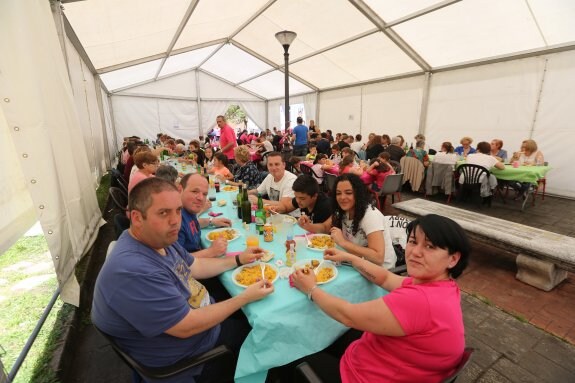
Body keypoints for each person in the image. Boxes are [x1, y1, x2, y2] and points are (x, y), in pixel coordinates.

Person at [92, 178, 274, 383]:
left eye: (177, 211)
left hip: (201, 323)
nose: (175, 221)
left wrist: (239, 259)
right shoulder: (133, 271)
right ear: (136, 217)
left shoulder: (157, 239)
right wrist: (243, 298)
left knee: (258, 316)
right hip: (192, 358)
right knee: (270, 337)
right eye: (163, 213)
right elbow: (186, 326)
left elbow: (195, 266)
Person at [289, 214, 471, 383]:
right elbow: (386, 278)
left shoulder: (420, 301)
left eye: (430, 246)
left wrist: (310, 289)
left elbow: (347, 315)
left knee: (290, 353)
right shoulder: (443, 286)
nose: (415, 252)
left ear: (453, 259)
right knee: (325, 331)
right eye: (413, 242)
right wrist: (350, 258)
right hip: (393, 360)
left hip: (363, 375)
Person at [299, 174, 396, 268]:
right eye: (338, 193)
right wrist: (307, 225)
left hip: (380, 271)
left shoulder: (370, 216)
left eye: (348, 193)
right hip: (356, 262)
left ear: (358, 194)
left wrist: (343, 242)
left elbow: (378, 257)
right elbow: (325, 227)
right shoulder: (342, 210)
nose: (342, 198)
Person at [177, 173, 232, 256]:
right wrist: (210, 251)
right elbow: (175, 262)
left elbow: (189, 226)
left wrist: (211, 221)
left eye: (204, 194)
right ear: (180, 190)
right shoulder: (175, 219)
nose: (201, 198)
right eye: (195, 191)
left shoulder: (187, 210)